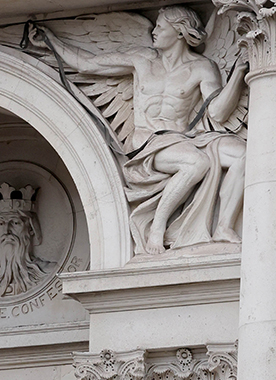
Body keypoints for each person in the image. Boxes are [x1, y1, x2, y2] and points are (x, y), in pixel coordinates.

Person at [30, 7, 248, 254]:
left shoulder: (202, 68)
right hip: (149, 144)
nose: (154, 32)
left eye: (160, 27)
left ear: (179, 32)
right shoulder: (141, 59)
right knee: (196, 162)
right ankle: (157, 228)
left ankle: (224, 227)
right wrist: (52, 41)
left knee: (242, 153)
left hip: (186, 138)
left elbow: (218, 112)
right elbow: (87, 64)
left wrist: (238, 75)